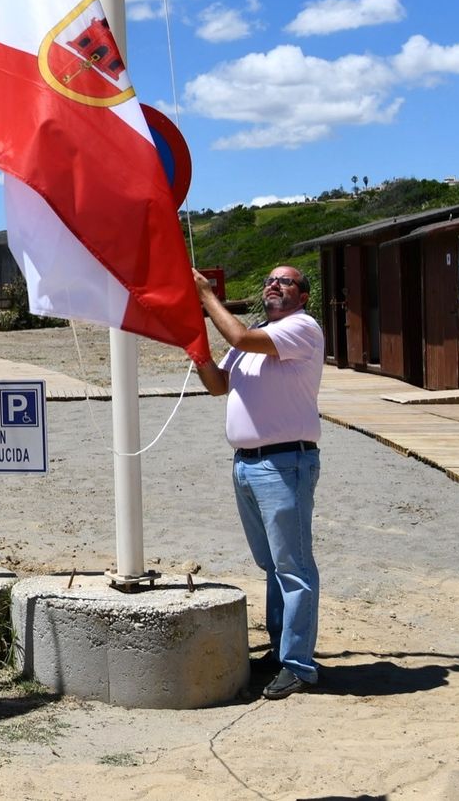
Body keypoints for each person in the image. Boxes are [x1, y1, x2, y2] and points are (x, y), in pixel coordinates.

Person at [192, 265, 325, 700]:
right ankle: (282, 650)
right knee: (274, 565)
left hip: (285, 464)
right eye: (269, 280)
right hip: (248, 465)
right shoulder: (257, 335)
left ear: (303, 296)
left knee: (294, 567)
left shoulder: (301, 328)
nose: (273, 284)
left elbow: (238, 338)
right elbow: (218, 385)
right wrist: (196, 349)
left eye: (285, 281)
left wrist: (206, 296)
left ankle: (298, 665)